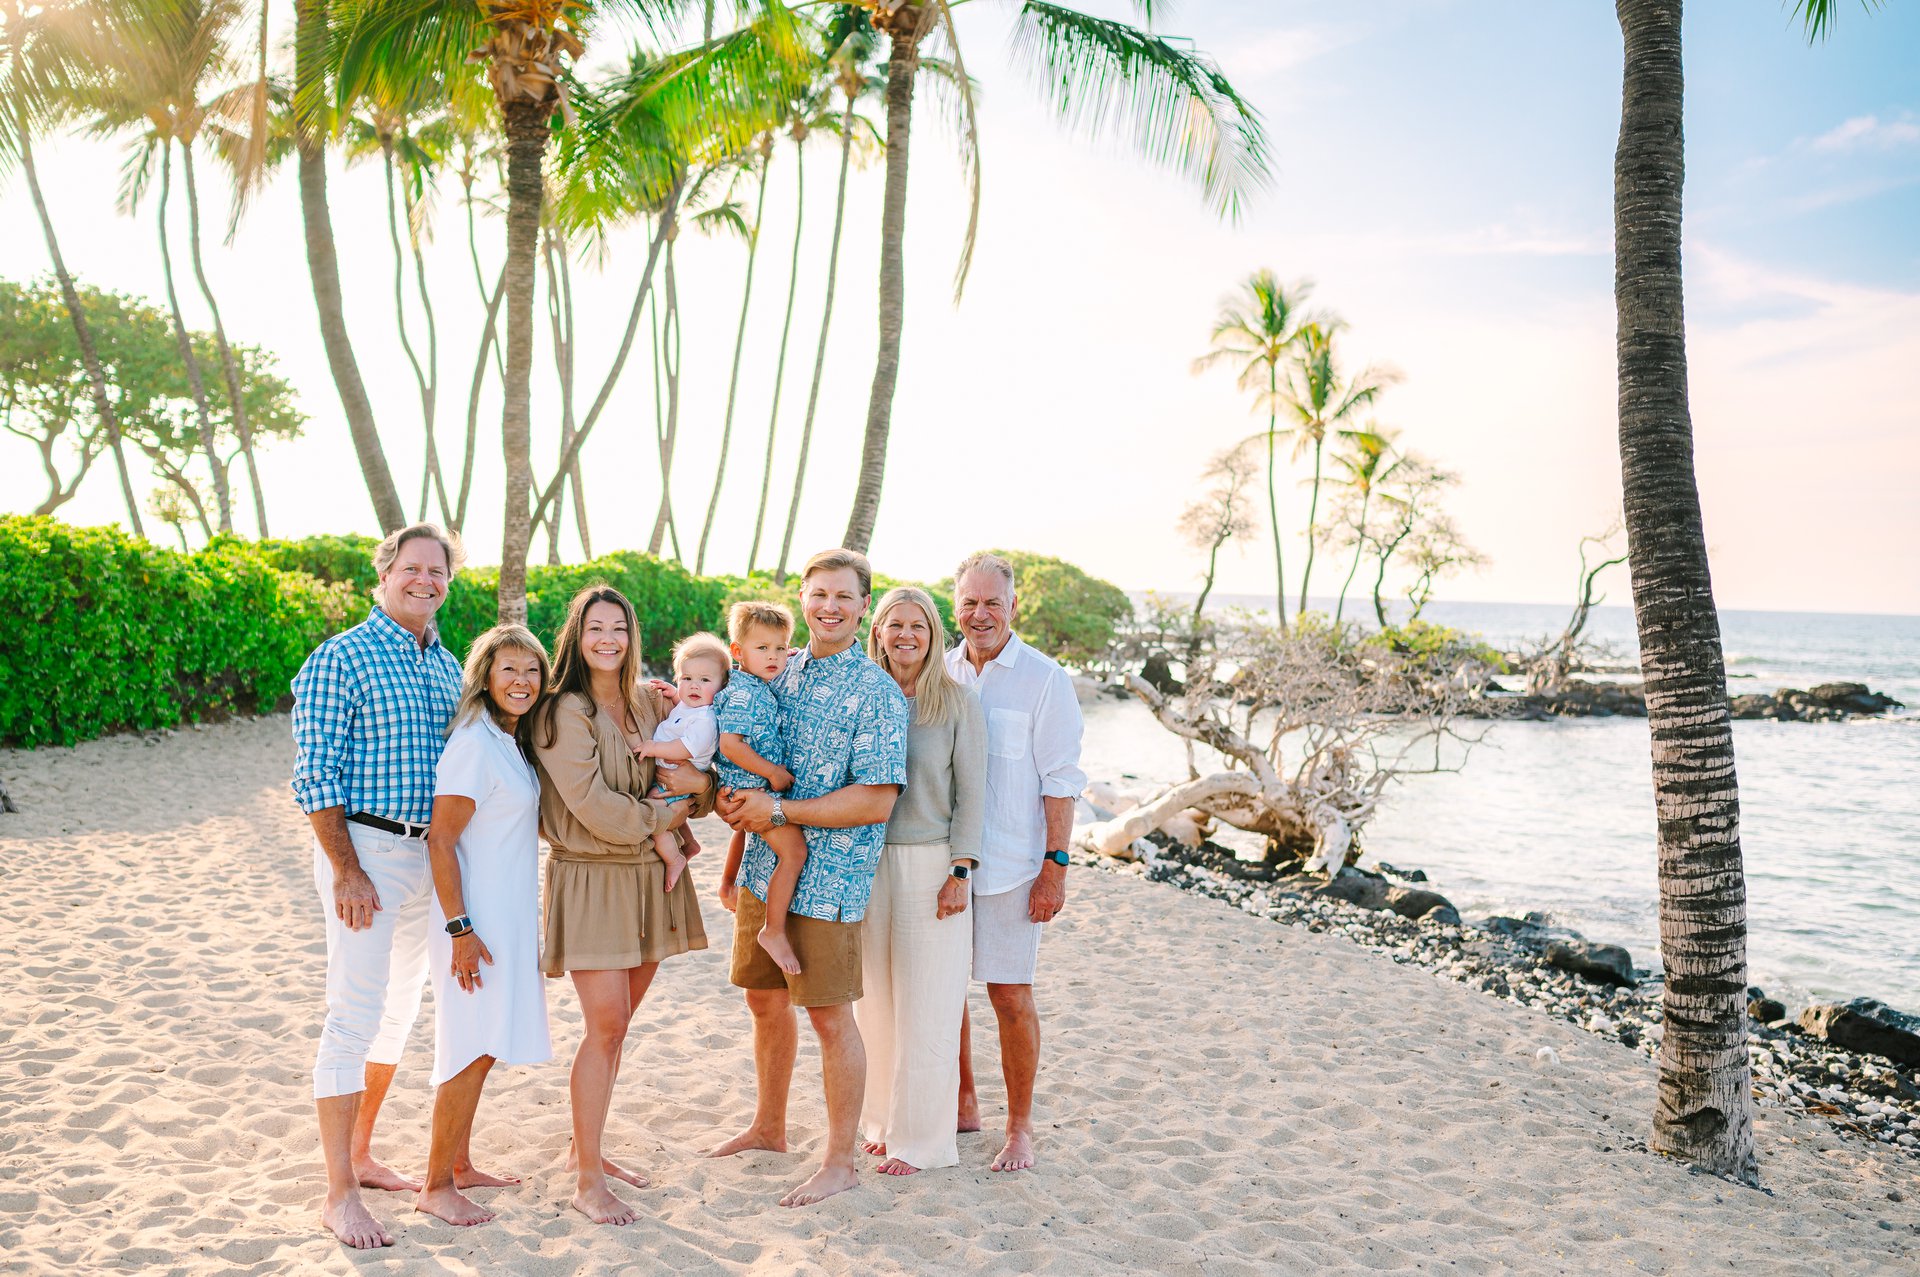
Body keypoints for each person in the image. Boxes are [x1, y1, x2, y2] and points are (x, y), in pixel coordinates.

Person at [705, 549, 909, 1208]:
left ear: (863, 606)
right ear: (803, 597)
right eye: (819, 593)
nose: (829, 606)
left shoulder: (876, 691)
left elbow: (876, 800)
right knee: (763, 1001)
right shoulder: (777, 669)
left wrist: (780, 810)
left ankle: (840, 1161)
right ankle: (769, 1127)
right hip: (763, 870)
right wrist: (735, 848)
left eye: (843, 596)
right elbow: (734, 747)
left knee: (828, 1017)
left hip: (830, 881)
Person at [291, 523, 465, 1250]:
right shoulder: (342, 657)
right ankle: (339, 1194)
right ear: (384, 574)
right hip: (365, 849)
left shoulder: (448, 666)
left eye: (437, 571)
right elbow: (314, 773)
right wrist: (346, 868)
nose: (425, 580)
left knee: (398, 1014)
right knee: (353, 1014)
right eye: (411, 567)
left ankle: (361, 1154)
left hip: (429, 857)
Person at [532, 586, 715, 1227]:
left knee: (618, 1027)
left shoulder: (649, 701)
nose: (608, 640)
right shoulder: (563, 710)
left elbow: (702, 780)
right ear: (576, 637)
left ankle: (585, 1149)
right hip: (592, 877)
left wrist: (696, 789)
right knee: (605, 1025)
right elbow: (595, 809)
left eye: (619, 628)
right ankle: (587, 1180)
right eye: (595, 628)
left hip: (650, 878)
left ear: (633, 636)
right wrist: (667, 814)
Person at [945, 552, 1087, 1173]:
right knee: (946, 992)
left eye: (992, 604)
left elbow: (1061, 781)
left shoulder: (1044, 679)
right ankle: (963, 1103)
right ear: (956, 606)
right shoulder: (941, 670)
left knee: (1008, 995)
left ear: (1013, 607)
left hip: (1013, 867)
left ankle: (1020, 1127)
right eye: (970, 603)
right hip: (945, 864)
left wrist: (1055, 868)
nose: (980, 615)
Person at [417, 625, 554, 1227]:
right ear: (485, 677)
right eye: (509, 670)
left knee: (485, 1044)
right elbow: (440, 841)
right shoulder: (474, 742)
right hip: (474, 923)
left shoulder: (507, 740)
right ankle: (436, 1185)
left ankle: (461, 1163)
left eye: (532, 670)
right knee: (469, 1048)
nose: (522, 681)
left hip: (506, 917)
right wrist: (461, 930)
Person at [857, 586, 987, 1176]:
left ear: (934, 635)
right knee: (876, 1001)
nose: (906, 636)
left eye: (919, 626)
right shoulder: (865, 695)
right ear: (878, 632)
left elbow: (972, 797)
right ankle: (883, 1123)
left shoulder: (958, 703)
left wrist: (961, 870)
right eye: (896, 625)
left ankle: (921, 1142)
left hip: (933, 865)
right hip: (865, 860)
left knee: (929, 1004)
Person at [711, 601, 806, 976]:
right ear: (737, 652)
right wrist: (774, 773)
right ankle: (774, 930)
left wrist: (788, 656)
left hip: (747, 789)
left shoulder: (755, 684)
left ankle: (728, 883)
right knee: (794, 852)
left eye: (780, 648)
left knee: (745, 832)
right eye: (762, 648)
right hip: (752, 788)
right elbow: (730, 745)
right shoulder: (744, 694)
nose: (773, 656)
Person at [630, 632, 729, 893]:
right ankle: (690, 842)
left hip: (677, 779)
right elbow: (682, 714)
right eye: (687, 678)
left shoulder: (706, 720)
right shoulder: (691, 708)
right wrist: (675, 695)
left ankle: (674, 858)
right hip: (672, 776)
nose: (694, 686)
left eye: (704, 680)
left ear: (721, 686)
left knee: (652, 812)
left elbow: (683, 748)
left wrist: (653, 748)